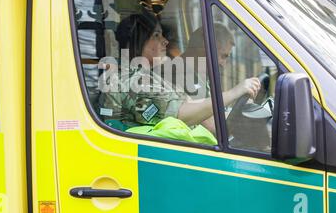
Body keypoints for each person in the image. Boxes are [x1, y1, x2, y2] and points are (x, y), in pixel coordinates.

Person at [98, 9, 261, 134]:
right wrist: (235, 92)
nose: (165, 41)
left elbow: (191, 105)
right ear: (137, 40)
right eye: (156, 35)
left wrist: (236, 105)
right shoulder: (131, 80)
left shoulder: (151, 76)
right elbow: (181, 114)